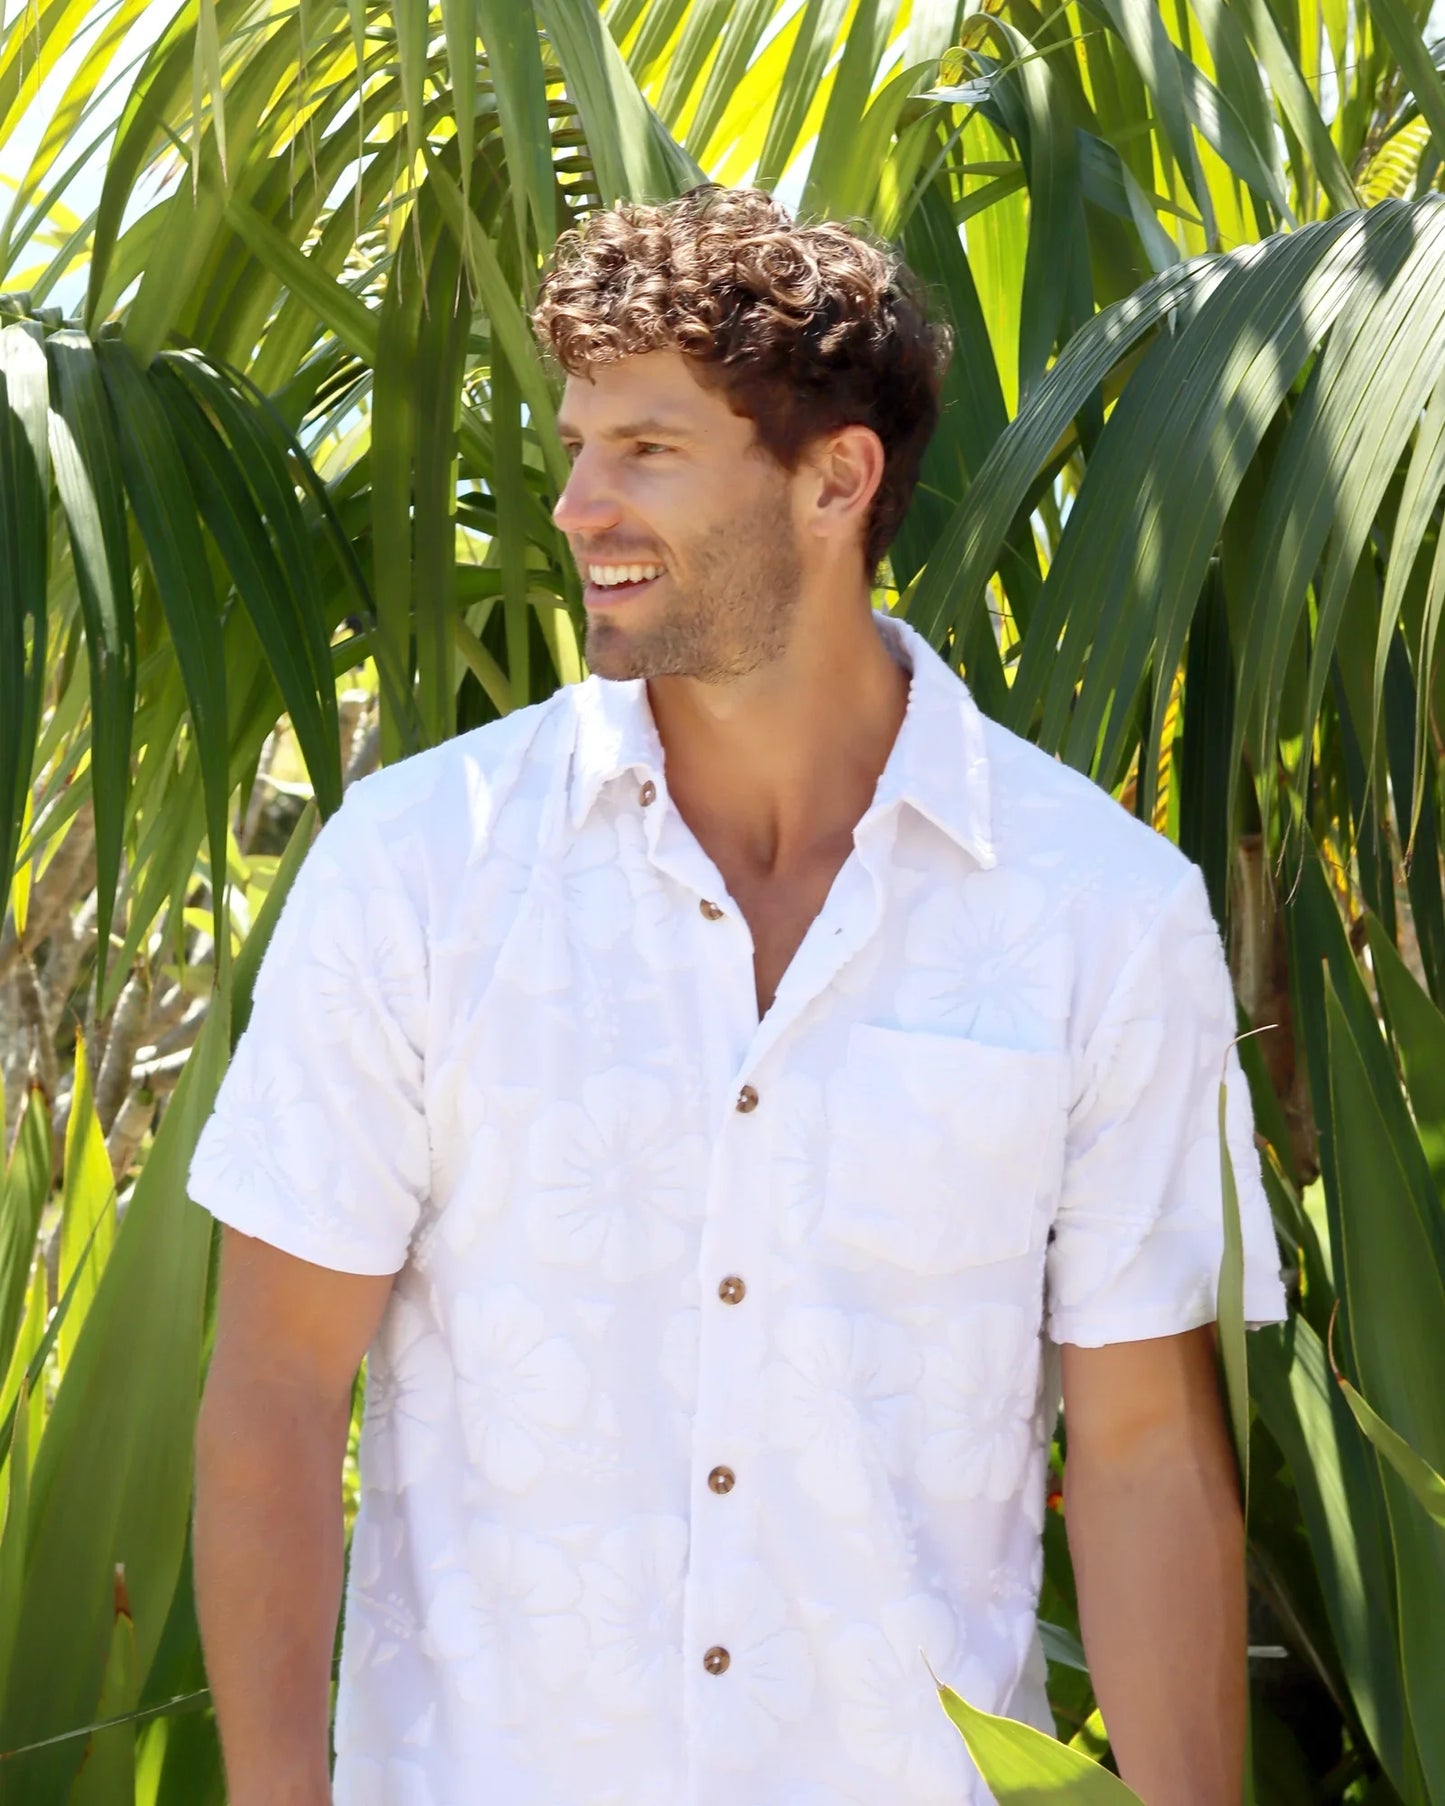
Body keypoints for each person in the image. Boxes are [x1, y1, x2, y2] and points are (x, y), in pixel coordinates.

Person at [191, 184, 1288, 1806]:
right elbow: (276, 1388)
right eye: (577, 444)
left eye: (646, 450)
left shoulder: (1100, 913)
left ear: (835, 479)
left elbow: (1139, 1453)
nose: (577, 506)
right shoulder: (419, 868)